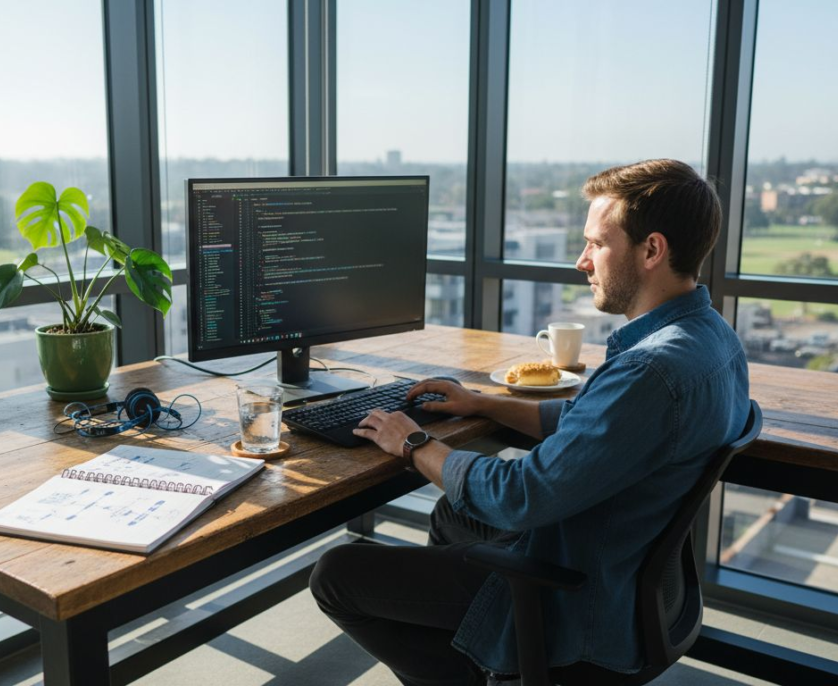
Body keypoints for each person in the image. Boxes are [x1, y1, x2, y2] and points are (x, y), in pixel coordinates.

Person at [309, 159, 751, 685]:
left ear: (651, 250)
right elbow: (593, 425)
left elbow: (522, 495)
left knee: (335, 574)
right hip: (626, 569)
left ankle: (480, 670)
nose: (582, 261)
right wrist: (484, 404)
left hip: (584, 595)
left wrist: (414, 442)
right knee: (453, 515)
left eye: (596, 244)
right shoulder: (713, 339)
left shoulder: (650, 370)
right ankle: (483, 659)